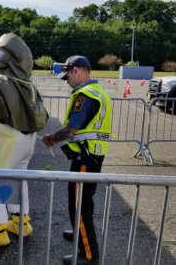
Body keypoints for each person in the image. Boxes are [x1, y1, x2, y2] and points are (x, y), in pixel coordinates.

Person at [0, 33, 48, 246]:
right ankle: (22, 223)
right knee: (17, 180)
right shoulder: (28, 83)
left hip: (2, 142)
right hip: (27, 142)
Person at [42, 55, 112, 265]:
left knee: (80, 204)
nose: (67, 82)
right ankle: (79, 232)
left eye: (67, 77)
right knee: (80, 200)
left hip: (85, 157)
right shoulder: (98, 91)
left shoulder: (86, 95)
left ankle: (89, 255)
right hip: (91, 155)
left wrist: (52, 138)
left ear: (76, 71)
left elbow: (73, 128)